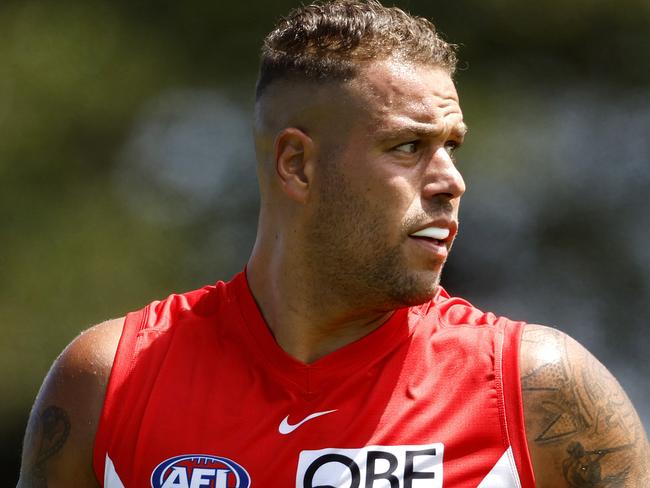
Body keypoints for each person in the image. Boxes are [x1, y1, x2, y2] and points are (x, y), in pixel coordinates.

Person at [18, 1, 649, 487]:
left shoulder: (537, 391)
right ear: (296, 165)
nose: (451, 181)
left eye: (451, 146)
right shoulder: (108, 383)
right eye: (408, 147)